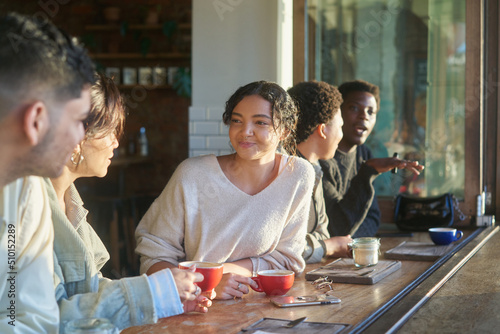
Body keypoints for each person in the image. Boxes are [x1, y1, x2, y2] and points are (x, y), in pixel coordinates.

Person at [46, 73, 212, 332]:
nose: (116, 142)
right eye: (110, 131)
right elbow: (47, 318)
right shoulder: (24, 213)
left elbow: (89, 290)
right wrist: (153, 293)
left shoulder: (69, 202)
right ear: (77, 138)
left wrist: (163, 301)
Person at [135, 81, 315, 300]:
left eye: (260, 122)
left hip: (262, 305)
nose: (245, 132)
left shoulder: (298, 174)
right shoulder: (193, 175)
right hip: (193, 306)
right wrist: (206, 286)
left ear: (285, 130)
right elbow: (154, 253)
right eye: (237, 120)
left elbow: (288, 259)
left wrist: (226, 273)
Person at [0, 13, 95, 332]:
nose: (83, 136)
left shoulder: (25, 189)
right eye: (80, 119)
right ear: (36, 121)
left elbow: (30, 315)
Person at [319, 80, 424, 238]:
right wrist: (367, 172)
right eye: (354, 108)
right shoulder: (321, 158)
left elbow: (373, 219)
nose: (364, 116)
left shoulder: (364, 153)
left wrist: (351, 242)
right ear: (337, 112)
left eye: (371, 112)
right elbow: (336, 227)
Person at [287, 81, 352, 263]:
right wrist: (329, 247)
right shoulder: (283, 172)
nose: (341, 135)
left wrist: (324, 245)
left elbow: (322, 233)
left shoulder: (315, 168)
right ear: (322, 130)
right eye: (340, 127)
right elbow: (286, 247)